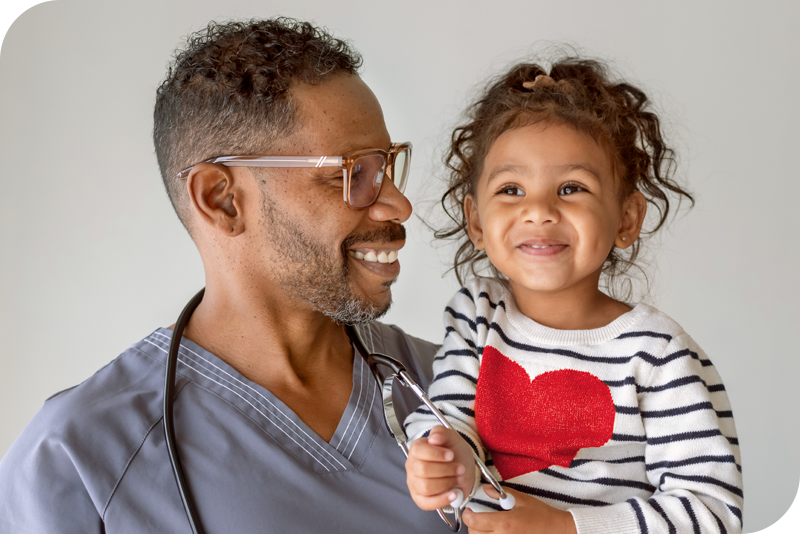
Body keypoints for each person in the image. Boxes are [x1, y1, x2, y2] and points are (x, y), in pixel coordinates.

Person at [0, 18, 453, 533]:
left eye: (388, 168)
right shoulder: (79, 459)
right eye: (353, 175)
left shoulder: (461, 386)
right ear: (222, 199)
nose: (399, 205)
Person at [403, 59, 743, 533]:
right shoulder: (477, 316)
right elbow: (449, 415)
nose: (539, 211)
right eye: (511, 188)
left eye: (571, 188)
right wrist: (443, 453)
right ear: (477, 221)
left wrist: (566, 525)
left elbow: (710, 514)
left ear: (626, 218)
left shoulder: (658, 354)